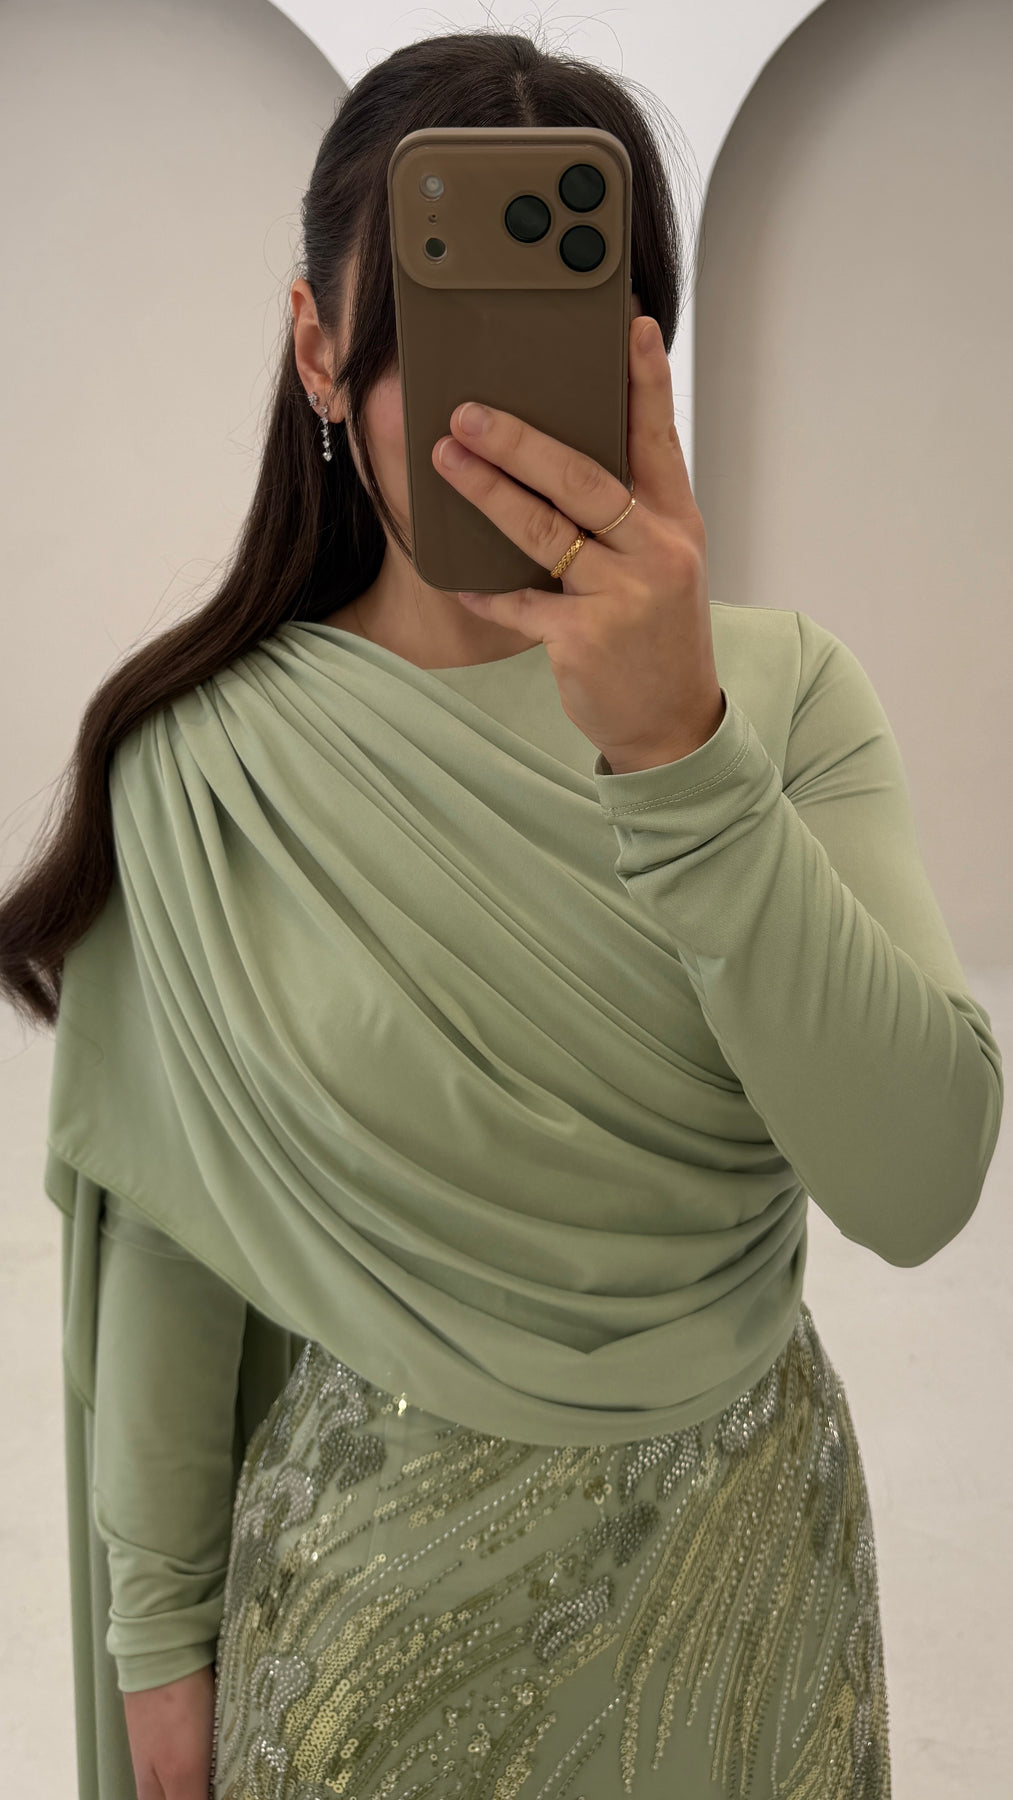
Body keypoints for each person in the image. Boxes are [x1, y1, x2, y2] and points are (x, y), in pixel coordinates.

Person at [3, 27, 1003, 1800]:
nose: (491, 414)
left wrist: (682, 759)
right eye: (430, 334)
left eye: (552, 342)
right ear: (318, 347)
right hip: (367, 1642)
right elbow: (173, 1244)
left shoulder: (782, 701)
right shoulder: (206, 766)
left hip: (747, 1611)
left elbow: (916, 1182)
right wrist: (161, 1663)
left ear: (643, 363)